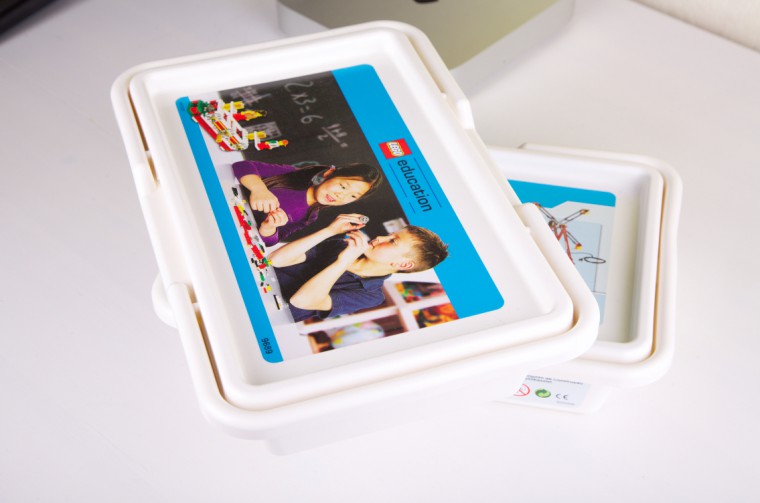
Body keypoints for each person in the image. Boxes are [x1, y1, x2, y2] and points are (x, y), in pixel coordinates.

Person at [269, 213, 449, 322]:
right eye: (389, 235)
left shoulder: (371, 296)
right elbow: (275, 260)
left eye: (392, 241)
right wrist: (330, 230)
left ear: (403, 264)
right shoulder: (341, 245)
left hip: (269, 313)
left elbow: (301, 301)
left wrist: (342, 263)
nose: (380, 237)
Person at [232, 160, 383, 246]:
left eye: (353, 196)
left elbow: (270, 241)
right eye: (343, 186)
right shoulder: (293, 175)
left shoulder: (310, 216)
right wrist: (259, 189)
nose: (341, 195)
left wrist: (269, 227)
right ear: (329, 174)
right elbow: (242, 165)